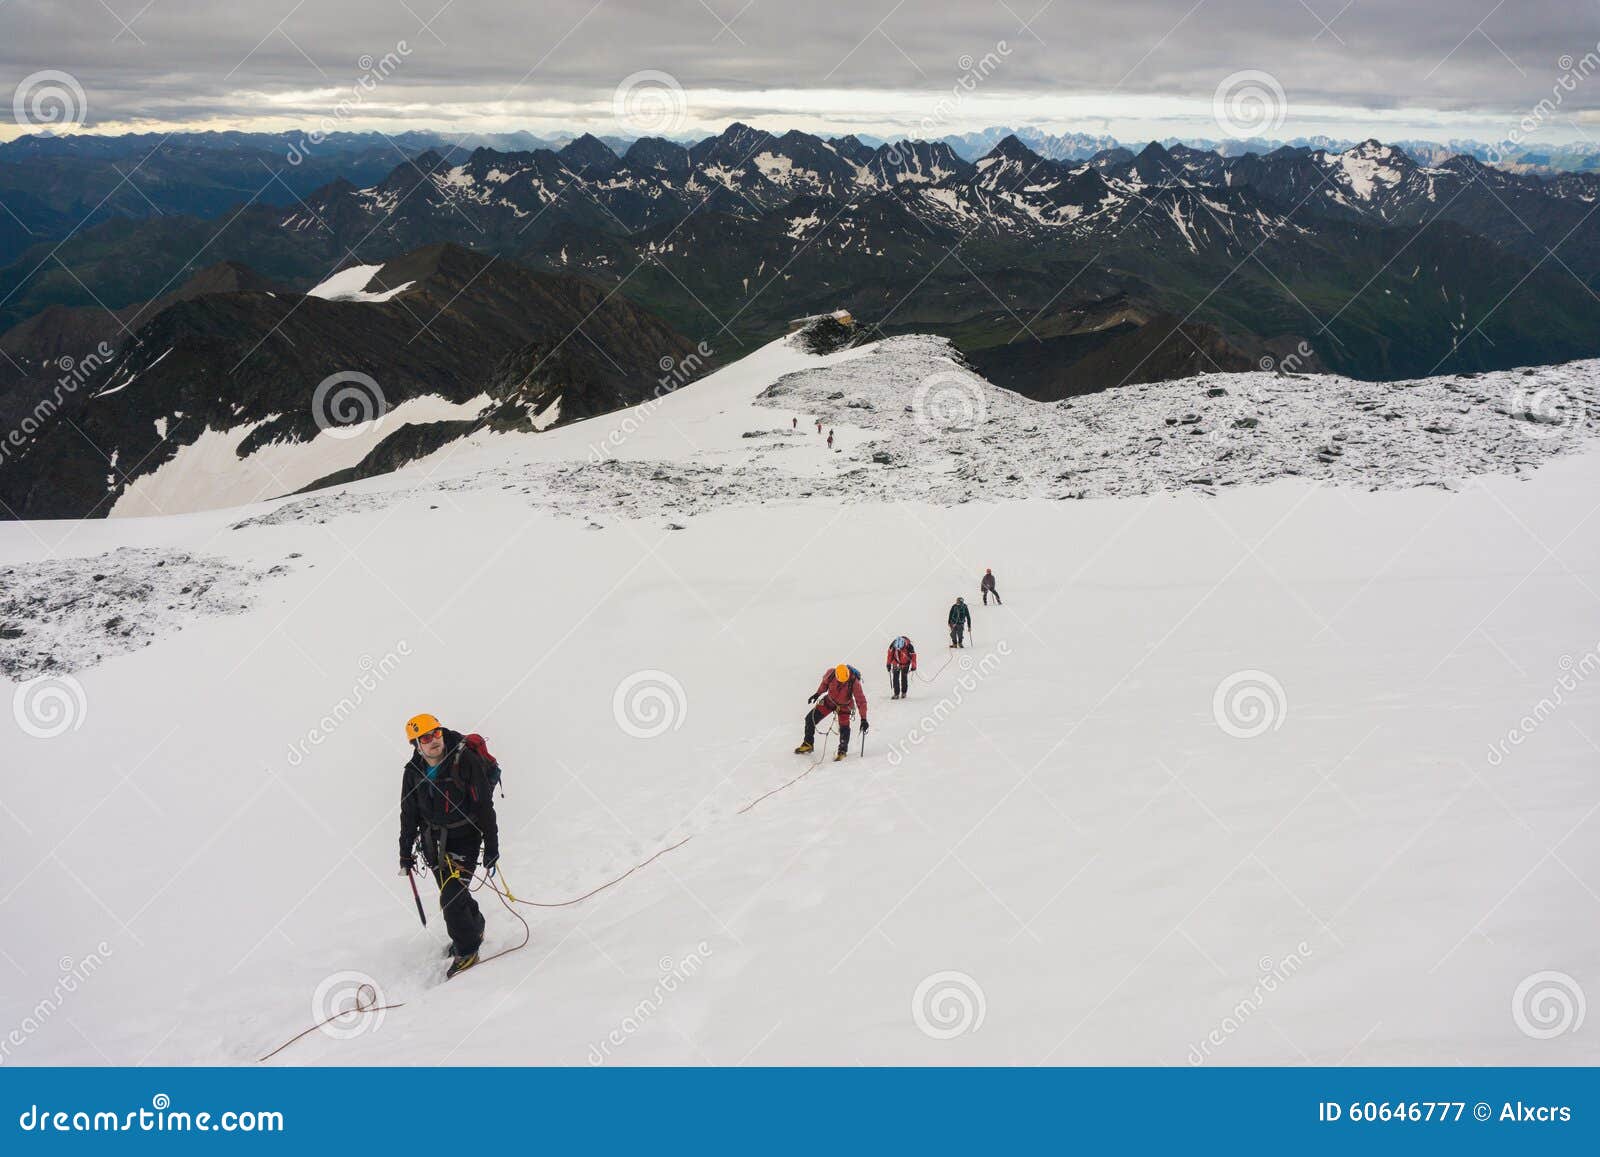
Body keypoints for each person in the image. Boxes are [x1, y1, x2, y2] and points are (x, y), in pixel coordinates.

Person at [397, 713, 500, 979]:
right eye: (426, 737)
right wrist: (405, 852)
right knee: (451, 892)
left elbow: (484, 807)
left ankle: (467, 950)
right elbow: (409, 815)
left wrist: (491, 846)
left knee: (451, 898)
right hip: (432, 844)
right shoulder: (413, 773)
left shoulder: (464, 761)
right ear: (416, 743)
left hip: (465, 839)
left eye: (437, 733)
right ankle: (473, 925)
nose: (434, 741)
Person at [795, 663, 869, 761]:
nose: (842, 683)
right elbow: (824, 684)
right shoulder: (831, 674)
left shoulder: (853, 681)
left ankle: (842, 750)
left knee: (844, 728)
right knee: (810, 718)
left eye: (844, 681)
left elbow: (861, 700)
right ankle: (808, 744)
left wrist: (864, 719)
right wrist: (817, 694)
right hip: (828, 702)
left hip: (844, 707)